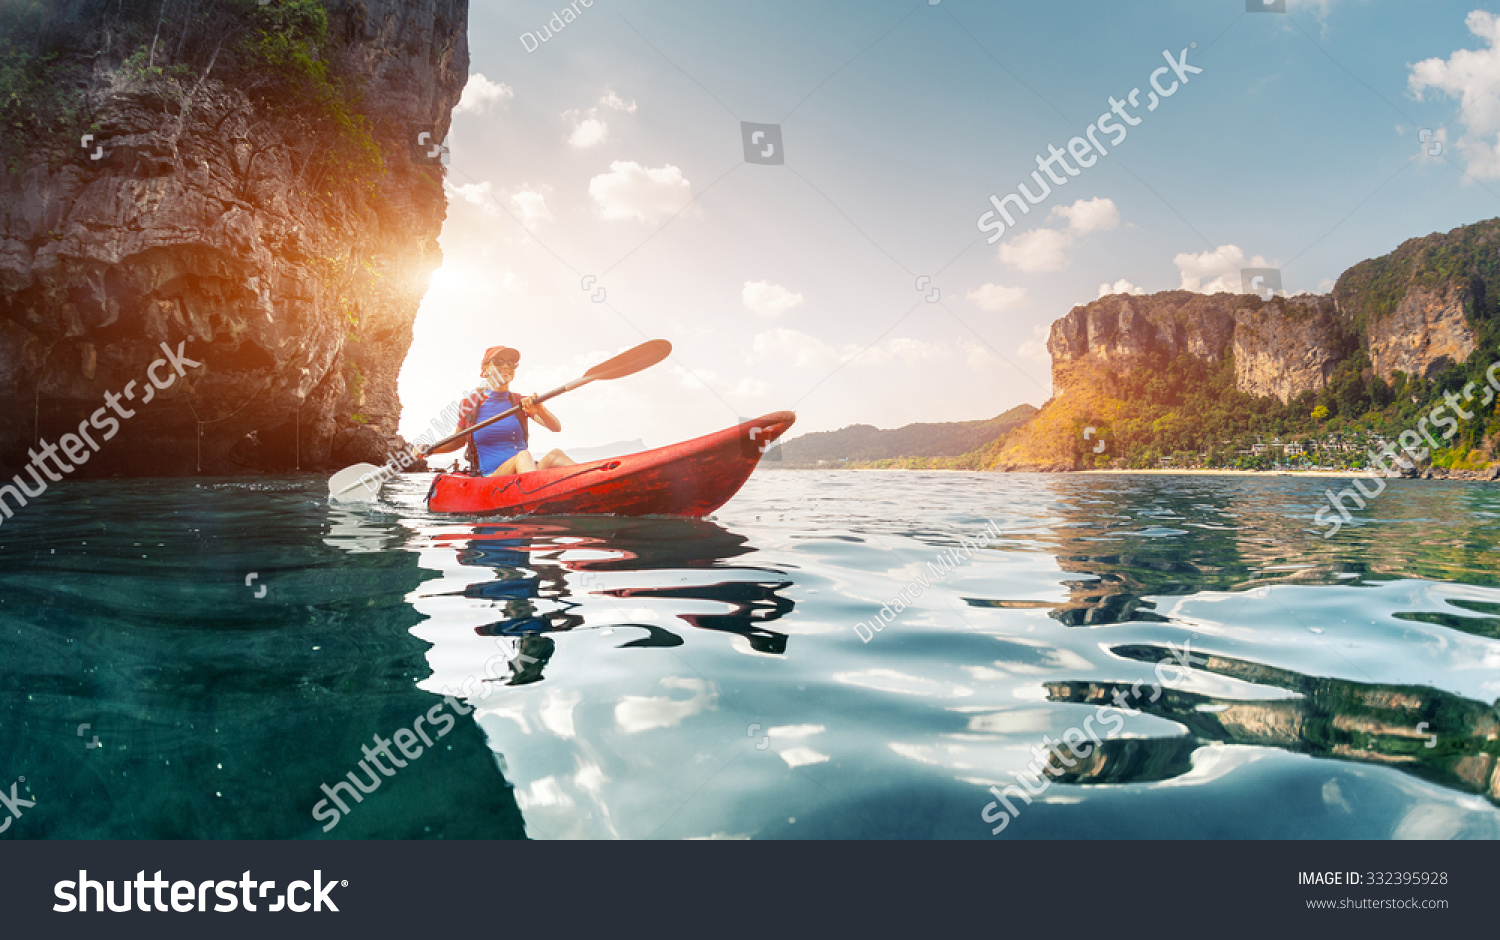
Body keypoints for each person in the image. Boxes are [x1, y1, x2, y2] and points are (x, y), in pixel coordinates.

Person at [424, 345, 575, 476]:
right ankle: (535, 493)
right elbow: (457, 441)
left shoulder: (519, 402)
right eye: (498, 362)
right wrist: (429, 450)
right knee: (522, 456)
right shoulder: (470, 404)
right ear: (485, 370)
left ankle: (595, 481)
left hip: (525, 470)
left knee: (555, 455)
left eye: (511, 363)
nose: (506, 366)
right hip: (492, 475)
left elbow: (556, 427)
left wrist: (541, 410)